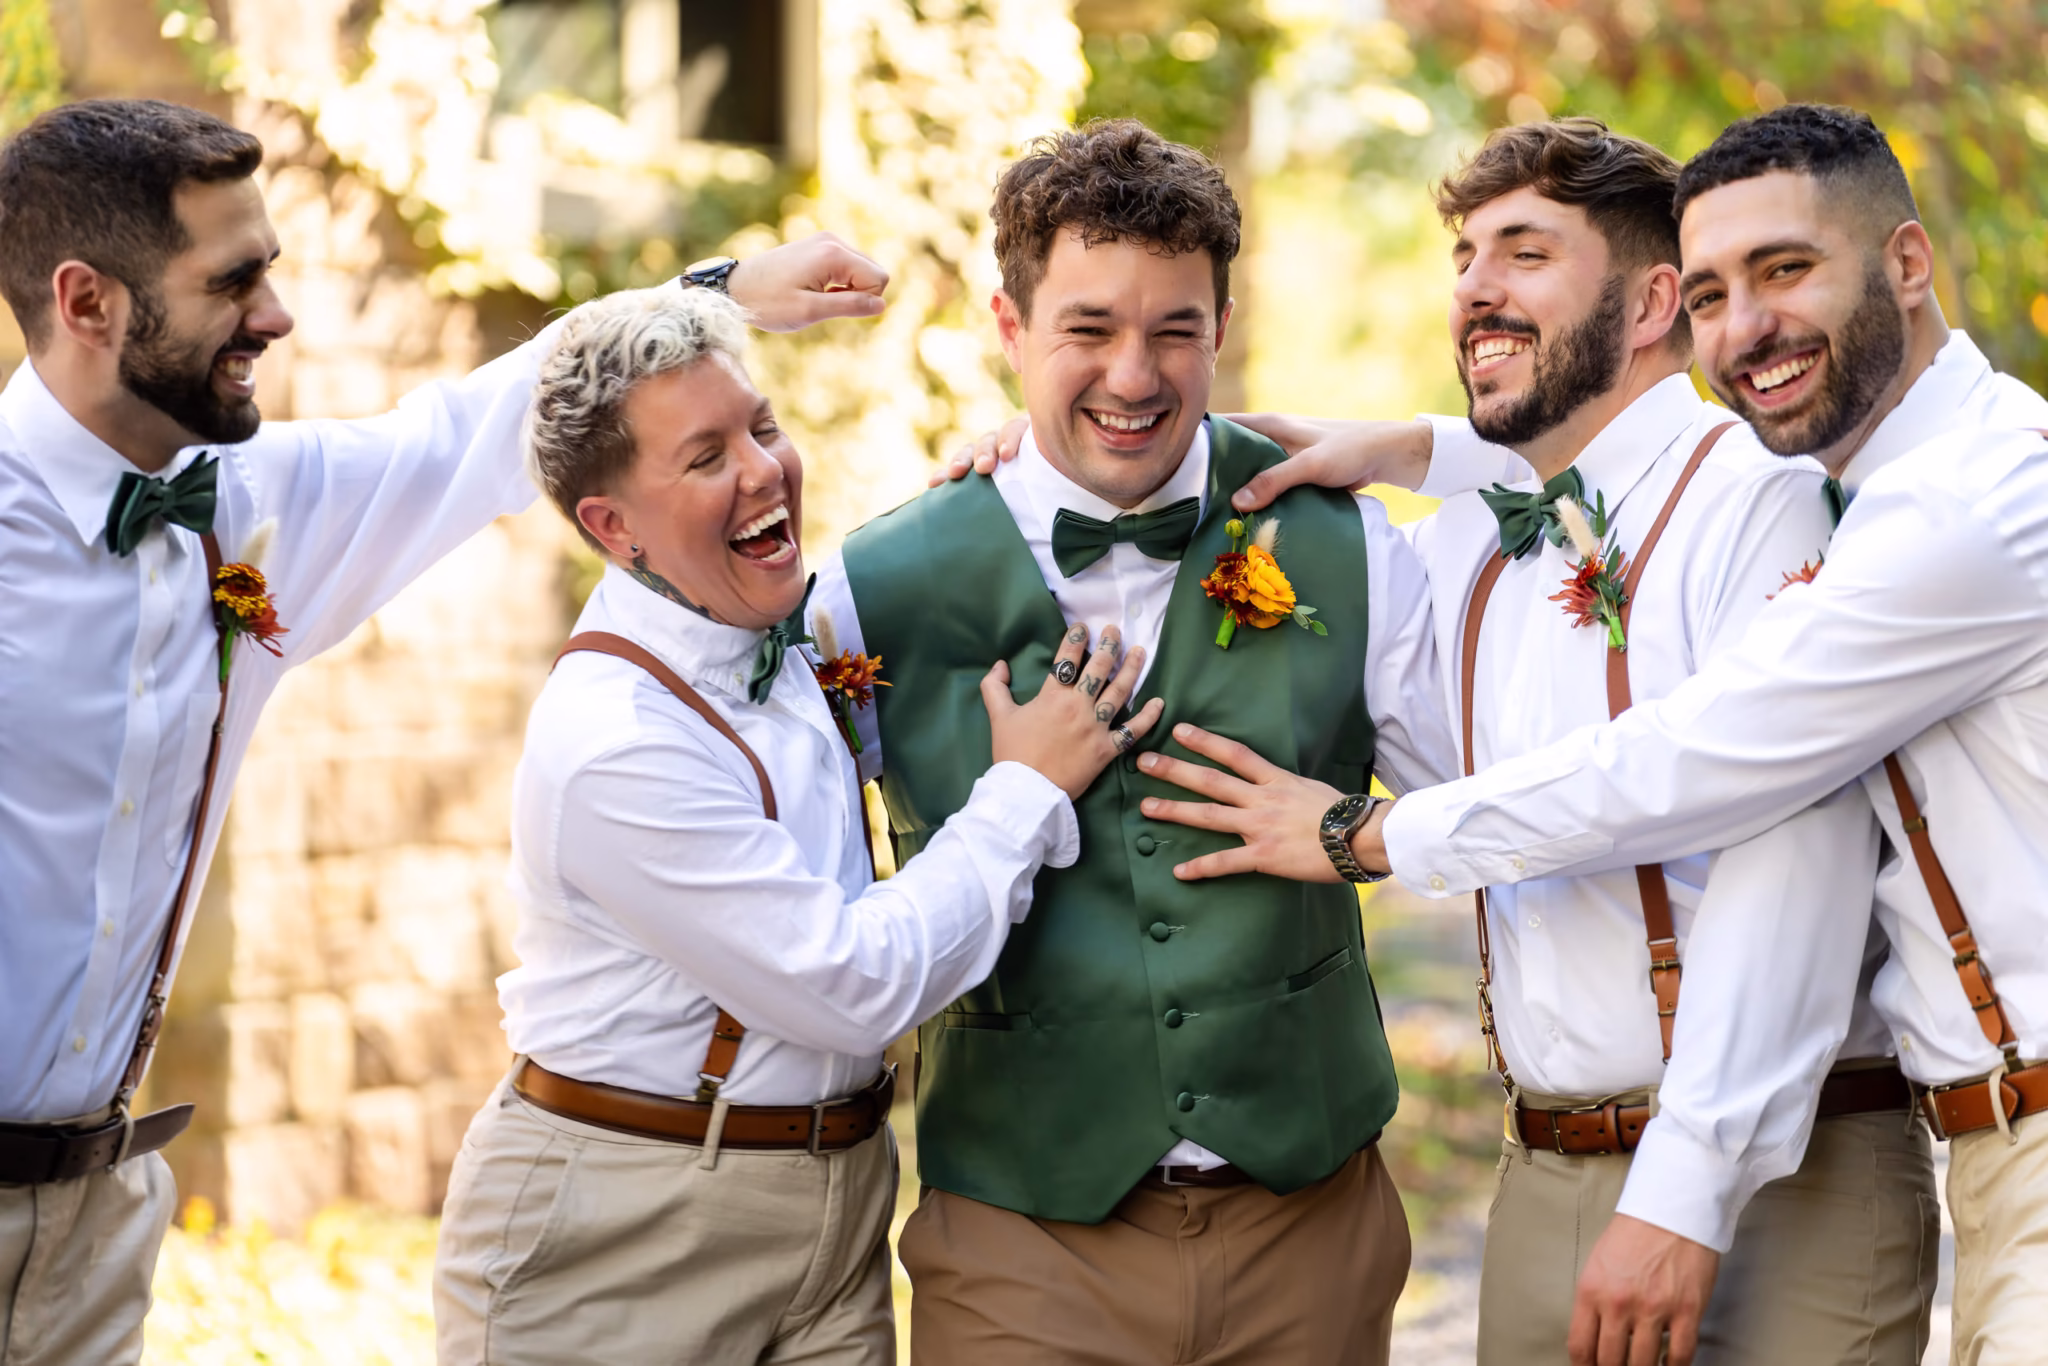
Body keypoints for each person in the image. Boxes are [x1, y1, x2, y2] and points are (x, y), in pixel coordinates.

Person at [1153, 105, 2048, 1364]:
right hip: (1555, 1167)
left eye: (1521, 252)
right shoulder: (1471, 533)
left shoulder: (1858, 502)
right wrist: (1031, 466)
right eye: (1461, 258)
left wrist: (1365, 837)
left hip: (1789, 1170)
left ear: (1646, 307)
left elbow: (1744, 805)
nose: (1472, 289)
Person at [0, 96, 886, 1366]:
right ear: (88, 304)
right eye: (231, 281)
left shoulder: (244, 510)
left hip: (97, 1220)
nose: (276, 315)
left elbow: (471, 437)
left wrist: (725, 288)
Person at [807, 118, 1455, 1365]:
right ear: (1010, 329)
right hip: (1018, 1235)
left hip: (1306, 1225)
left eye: (1175, 330)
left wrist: (1359, 841)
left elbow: (1488, 806)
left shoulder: (1348, 542)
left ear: (1222, 328)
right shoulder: (870, 588)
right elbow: (790, 879)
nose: (1133, 375)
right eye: (1088, 330)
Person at [431, 284, 1159, 1364]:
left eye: (761, 427)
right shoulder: (615, 739)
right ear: (611, 526)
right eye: (705, 455)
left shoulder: (790, 626)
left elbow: (954, 598)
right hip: (625, 1229)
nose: (764, 470)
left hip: (840, 1205)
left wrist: (1017, 475)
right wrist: (1024, 791)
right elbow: (850, 983)